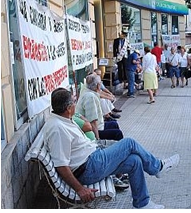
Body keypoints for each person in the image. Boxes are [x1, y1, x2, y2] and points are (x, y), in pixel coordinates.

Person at [43, 87, 180, 208]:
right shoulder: (57, 129)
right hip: (89, 168)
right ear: (68, 108)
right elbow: (61, 165)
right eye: (74, 102)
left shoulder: (63, 119)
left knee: (134, 161)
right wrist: (80, 189)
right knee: (129, 143)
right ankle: (158, 167)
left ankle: (142, 204)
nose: (75, 104)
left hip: (93, 159)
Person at [75, 74, 123, 141]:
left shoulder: (87, 90)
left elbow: (100, 93)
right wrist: (98, 140)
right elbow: (92, 121)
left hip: (98, 125)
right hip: (91, 130)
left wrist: (110, 96)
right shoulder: (90, 97)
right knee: (118, 133)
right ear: (98, 85)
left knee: (114, 124)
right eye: (100, 83)